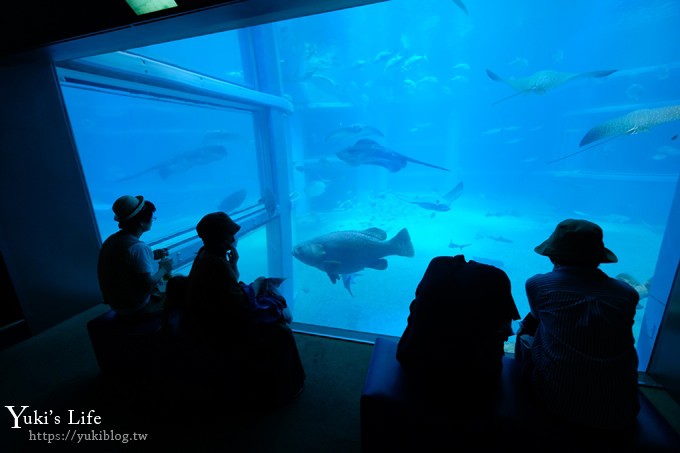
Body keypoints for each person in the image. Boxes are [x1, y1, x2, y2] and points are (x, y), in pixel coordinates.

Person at [515, 218, 640, 430]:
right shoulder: (627, 293)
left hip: (556, 404)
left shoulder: (538, 284)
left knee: (525, 331)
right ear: (600, 258)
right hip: (622, 409)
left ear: (552, 255)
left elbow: (536, 320)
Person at [186, 212, 304, 405]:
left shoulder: (205, 254)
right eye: (228, 235)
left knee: (269, 302)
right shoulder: (216, 264)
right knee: (281, 332)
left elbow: (228, 290)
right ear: (219, 238)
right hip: (217, 327)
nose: (233, 239)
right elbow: (239, 305)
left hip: (212, 315)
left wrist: (233, 264)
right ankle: (287, 387)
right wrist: (257, 284)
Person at [396, 254, 520, 403]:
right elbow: (505, 332)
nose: (462, 257)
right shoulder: (497, 279)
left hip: (413, 364)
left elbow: (414, 311)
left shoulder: (437, 265)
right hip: (476, 380)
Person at [97, 195, 173, 322]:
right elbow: (148, 283)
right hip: (135, 307)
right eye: (151, 218)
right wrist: (164, 269)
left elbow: (126, 261)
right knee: (177, 288)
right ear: (142, 222)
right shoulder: (138, 248)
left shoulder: (111, 240)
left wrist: (153, 255)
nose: (152, 220)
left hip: (117, 304)